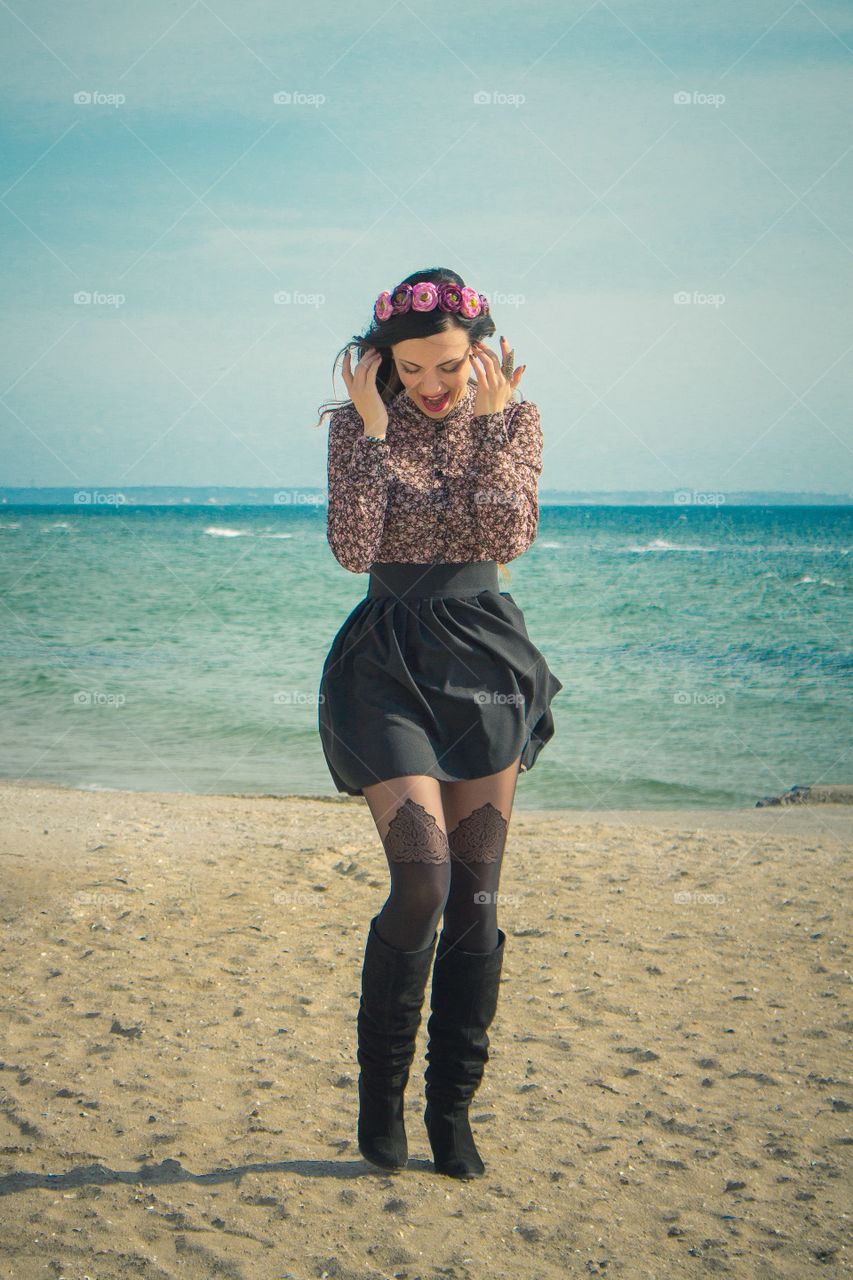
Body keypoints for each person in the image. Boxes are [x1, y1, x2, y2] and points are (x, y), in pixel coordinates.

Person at [315, 267, 563, 1179]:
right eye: (412, 367)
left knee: (478, 897)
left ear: (479, 354)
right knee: (421, 880)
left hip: (483, 660)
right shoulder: (355, 426)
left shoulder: (512, 420)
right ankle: (379, 1094)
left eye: (448, 367)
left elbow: (506, 536)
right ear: (384, 362)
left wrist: (492, 429)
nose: (431, 384)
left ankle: (450, 1110)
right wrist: (376, 438)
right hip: (383, 660)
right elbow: (352, 550)